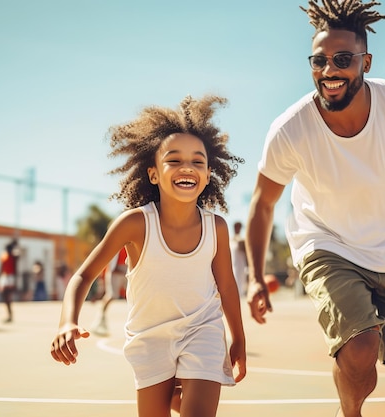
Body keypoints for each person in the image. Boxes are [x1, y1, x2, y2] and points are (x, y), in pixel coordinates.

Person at [244, 2, 385, 416]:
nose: (329, 70)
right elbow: (262, 203)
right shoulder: (290, 129)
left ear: (366, 61)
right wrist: (256, 277)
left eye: (343, 60)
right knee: (360, 346)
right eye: (319, 60)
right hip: (329, 245)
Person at [50, 94, 246, 417]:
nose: (187, 167)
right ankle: (169, 393)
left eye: (198, 161)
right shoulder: (135, 224)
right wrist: (66, 322)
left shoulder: (217, 228)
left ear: (208, 174)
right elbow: (83, 276)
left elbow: (226, 285)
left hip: (203, 330)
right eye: (174, 160)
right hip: (150, 338)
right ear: (153, 173)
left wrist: (238, 337)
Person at [92, 247, 128, 336]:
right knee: (112, 295)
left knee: (133, 295)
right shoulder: (118, 239)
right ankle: (100, 317)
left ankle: (138, 321)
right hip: (115, 270)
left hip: (127, 268)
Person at [0, 239, 20, 323]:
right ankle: (9, 314)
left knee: (7, 297)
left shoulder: (13, 257)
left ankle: (10, 315)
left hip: (10, 277)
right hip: (6, 277)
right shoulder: (5, 256)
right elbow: (1, 268)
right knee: (5, 297)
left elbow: (15, 268)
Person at [230, 221, 248, 296]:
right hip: (232, 264)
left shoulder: (242, 240)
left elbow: (246, 252)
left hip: (240, 265)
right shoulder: (230, 239)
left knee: (240, 282)